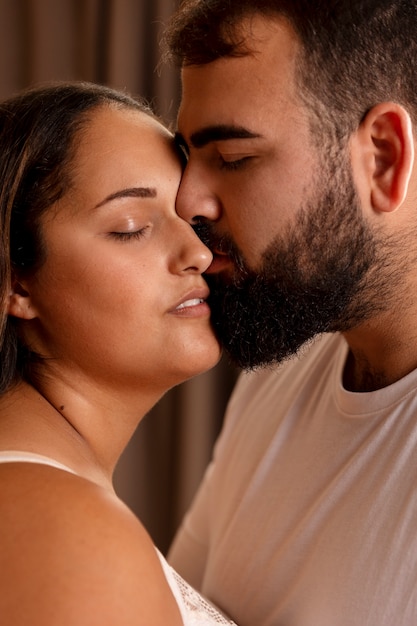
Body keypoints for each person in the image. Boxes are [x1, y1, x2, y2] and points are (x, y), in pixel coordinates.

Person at [163, 1, 417, 624]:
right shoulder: (276, 375)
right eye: (188, 156)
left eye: (234, 158)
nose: (186, 200)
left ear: (382, 159)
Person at [0, 80, 238, 626]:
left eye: (194, 221)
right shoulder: (62, 531)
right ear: (17, 283)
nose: (199, 252)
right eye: (132, 229)